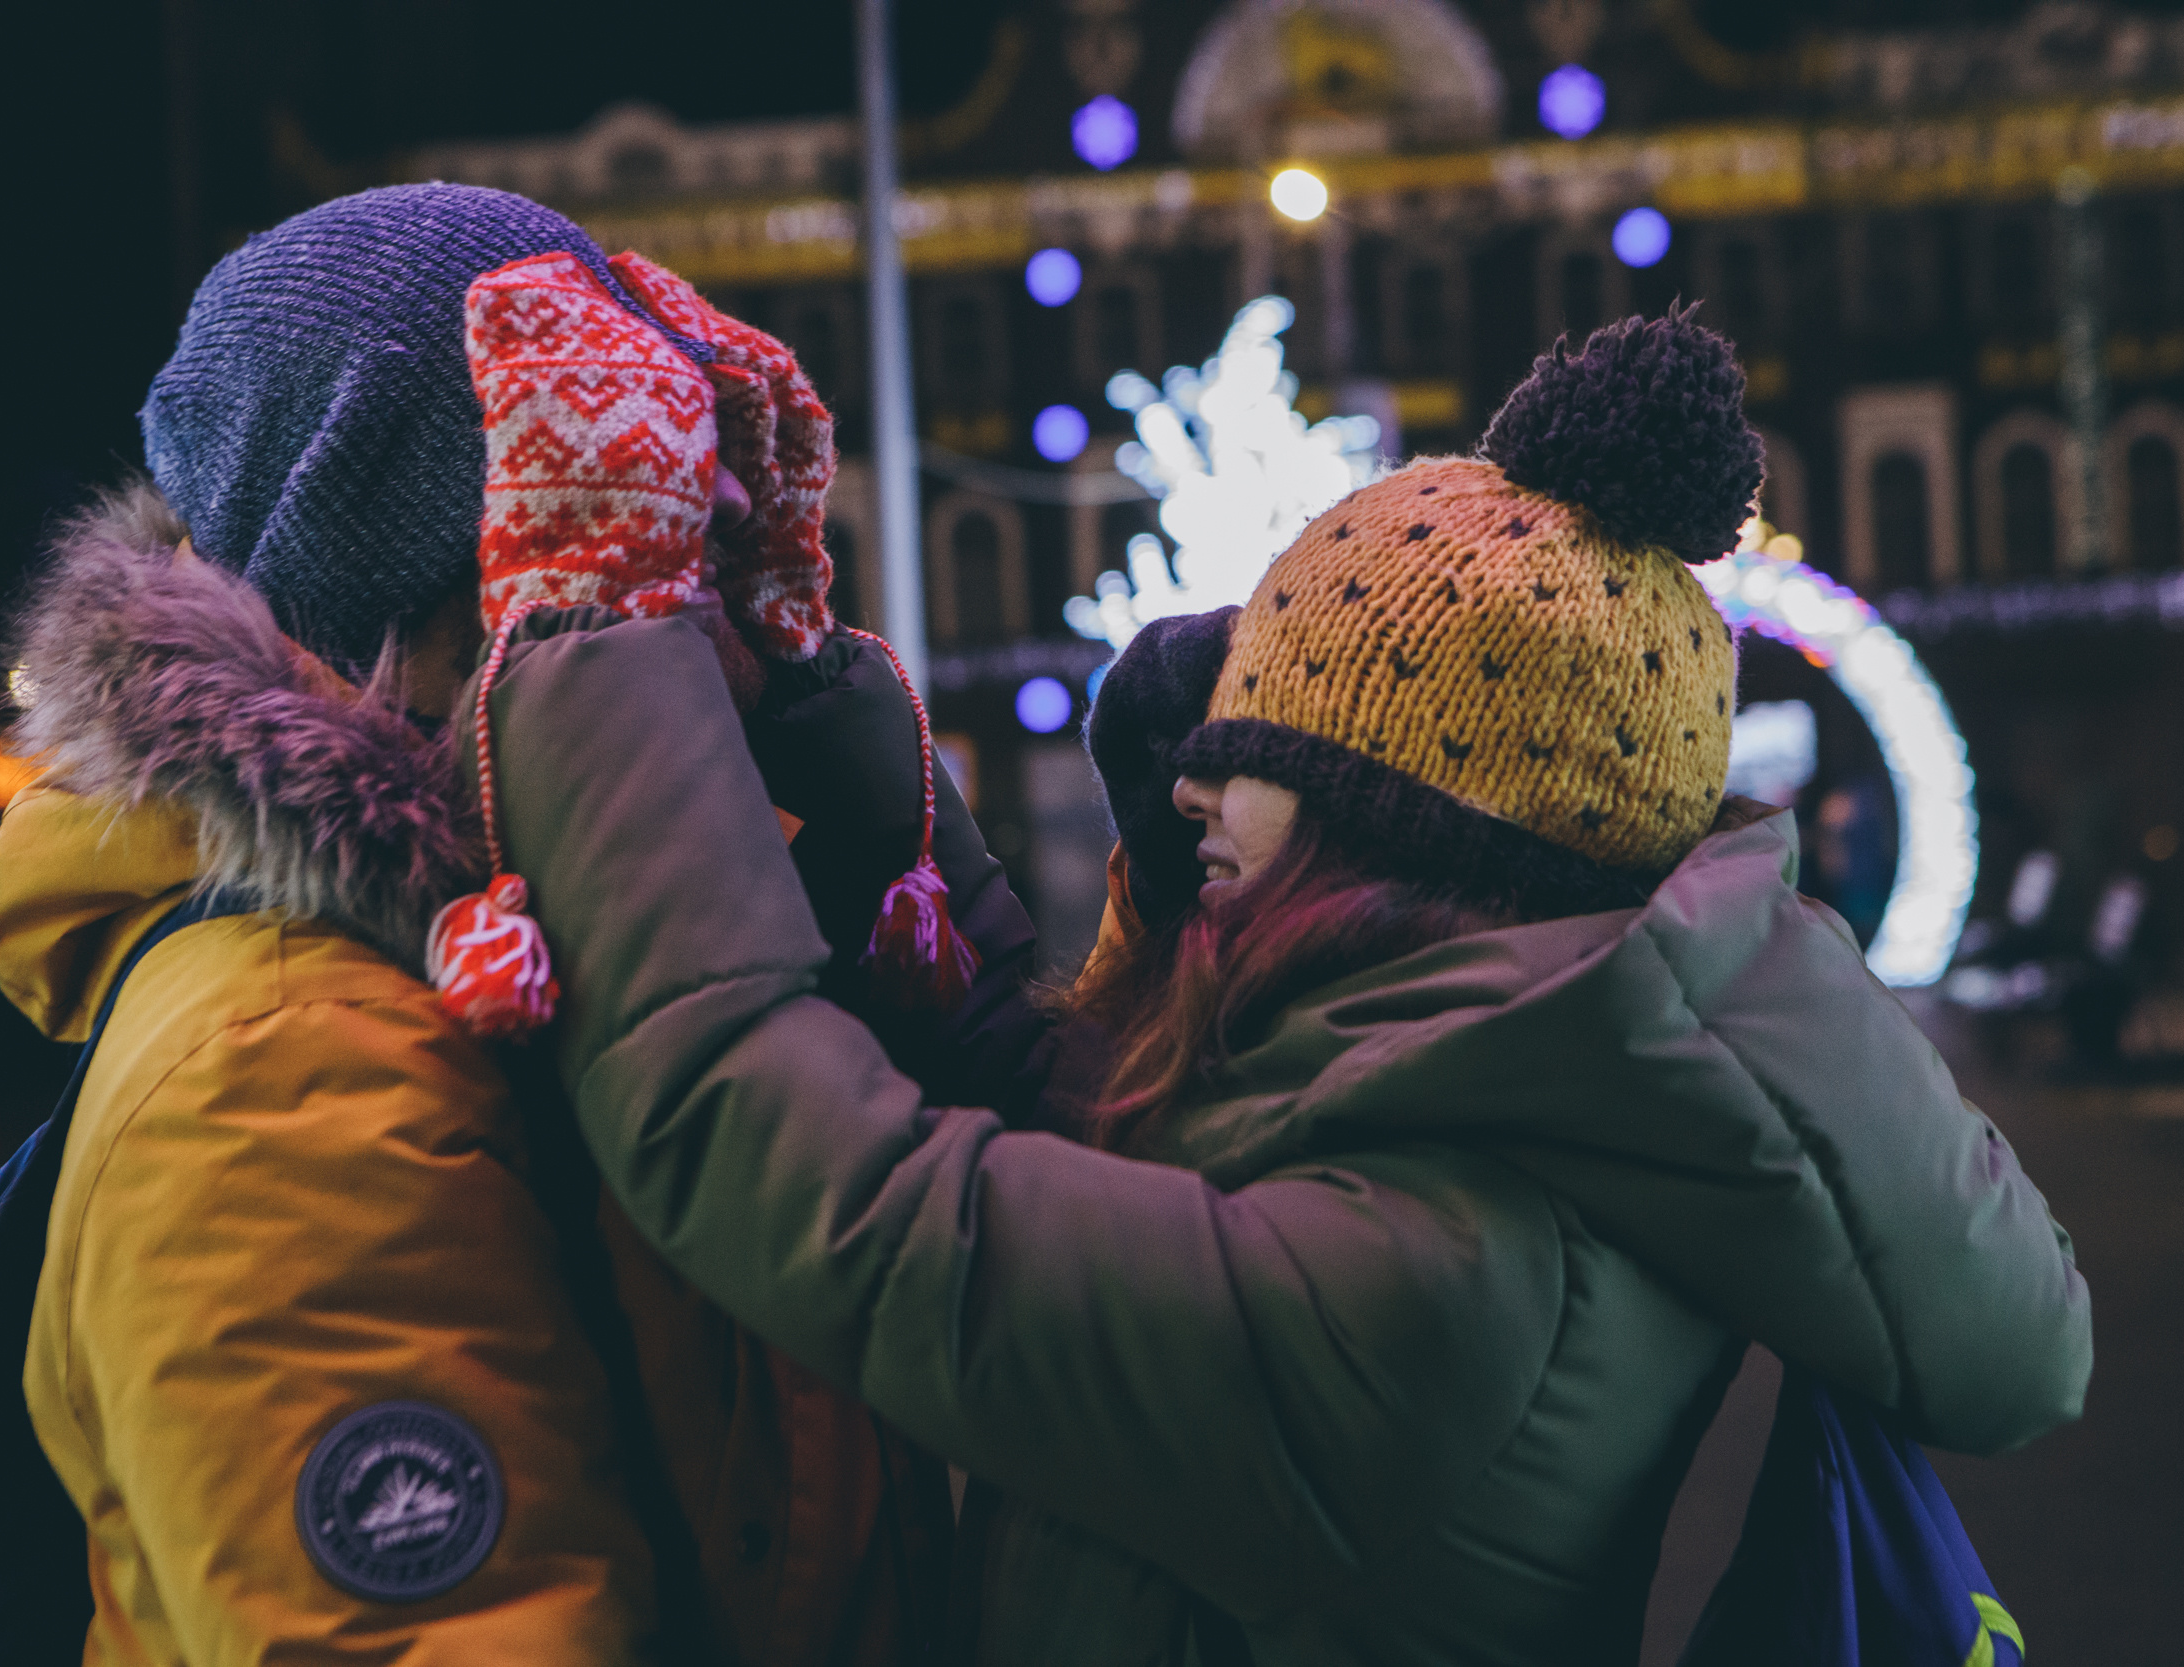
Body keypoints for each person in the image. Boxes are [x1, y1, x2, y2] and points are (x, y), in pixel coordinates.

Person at [468, 309, 2096, 1662]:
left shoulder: (1435, 1281)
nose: (1184, 792)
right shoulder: (1499, 1101)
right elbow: (1064, 1120)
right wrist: (817, 701)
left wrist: (599, 632)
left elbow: (854, 1207)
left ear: (1400, 829)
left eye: (1252, 760)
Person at [0, 184, 968, 1664]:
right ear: (427, 608)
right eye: (622, 573)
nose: (711, 645)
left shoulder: (543, 946)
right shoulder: (286, 1071)